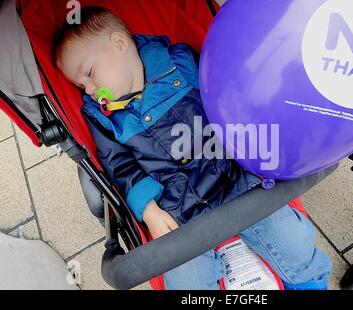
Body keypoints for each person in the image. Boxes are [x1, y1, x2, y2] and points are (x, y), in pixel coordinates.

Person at [54, 6, 332, 290]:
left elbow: (227, 101)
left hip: (234, 178)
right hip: (177, 209)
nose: (88, 89)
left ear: (119, 44)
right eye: (80, 85)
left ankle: (308, 284)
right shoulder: (104, 117)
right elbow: (119, 164)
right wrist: (148, 210)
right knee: (186, 278)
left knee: (290, 238)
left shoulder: (181, 62)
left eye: (89, 73)